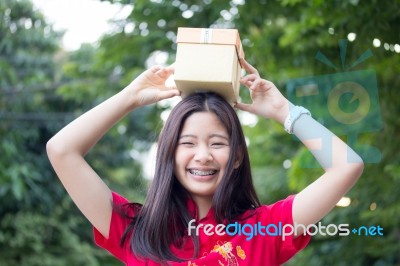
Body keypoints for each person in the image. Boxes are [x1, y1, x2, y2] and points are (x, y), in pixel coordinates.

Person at [46, 58, 364, 266]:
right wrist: (129, 98)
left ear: (237, 156)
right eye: (188, 143)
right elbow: (61, 150)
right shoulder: (135, 230)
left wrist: (286, 113)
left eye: (217, 143)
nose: (203, 155)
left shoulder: (264, 229)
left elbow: (346, 165)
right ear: (169, 153)